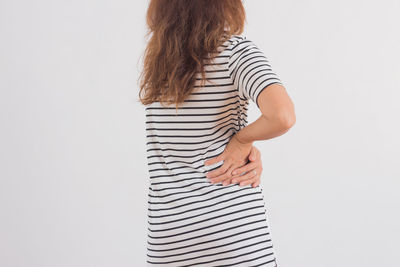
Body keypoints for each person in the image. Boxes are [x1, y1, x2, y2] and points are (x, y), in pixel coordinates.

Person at [138, 0, 295, 266]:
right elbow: (282, 116)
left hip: (169, 232)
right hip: (230, 225)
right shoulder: (235, 52)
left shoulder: (159, 65)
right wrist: (243, 139)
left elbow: (191, 137)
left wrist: (243, 142)